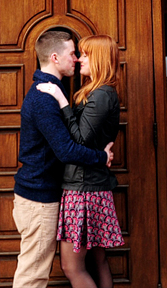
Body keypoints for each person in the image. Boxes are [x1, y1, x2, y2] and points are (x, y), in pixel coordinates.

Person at [13, 29, 115, 288]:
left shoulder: (61, 92)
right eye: (73, 53)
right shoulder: (45, 96)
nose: (78, 58)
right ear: (55, 58)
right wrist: (101, 156)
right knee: (32, 275)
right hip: (39, 197)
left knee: (47, 270)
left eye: (82, 54)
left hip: (55, 192)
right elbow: (68, 150)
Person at [38, 34, 123, 288]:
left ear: (98, 59)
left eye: (85, 54)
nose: (79, 59)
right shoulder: (96, 92)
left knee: (71, 266)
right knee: (98, 261)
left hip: (84, 189)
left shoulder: (102, 95)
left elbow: (81, 140)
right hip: (89, 184)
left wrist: (61, 99)